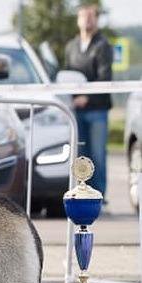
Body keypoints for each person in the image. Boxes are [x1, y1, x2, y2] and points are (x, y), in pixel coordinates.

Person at [65, 3, 113, 198]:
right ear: (78, 19)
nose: (87, 19)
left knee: (98, 156)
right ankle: (83, 194)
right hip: (76, 109)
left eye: (91, 16)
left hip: (97, 110)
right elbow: (66, 74)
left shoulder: (103, 45)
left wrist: (87, 97)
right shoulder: (71, 46)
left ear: (97, 19)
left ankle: (100, 196)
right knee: (81, 155)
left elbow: (104, 77)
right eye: (84, 16)